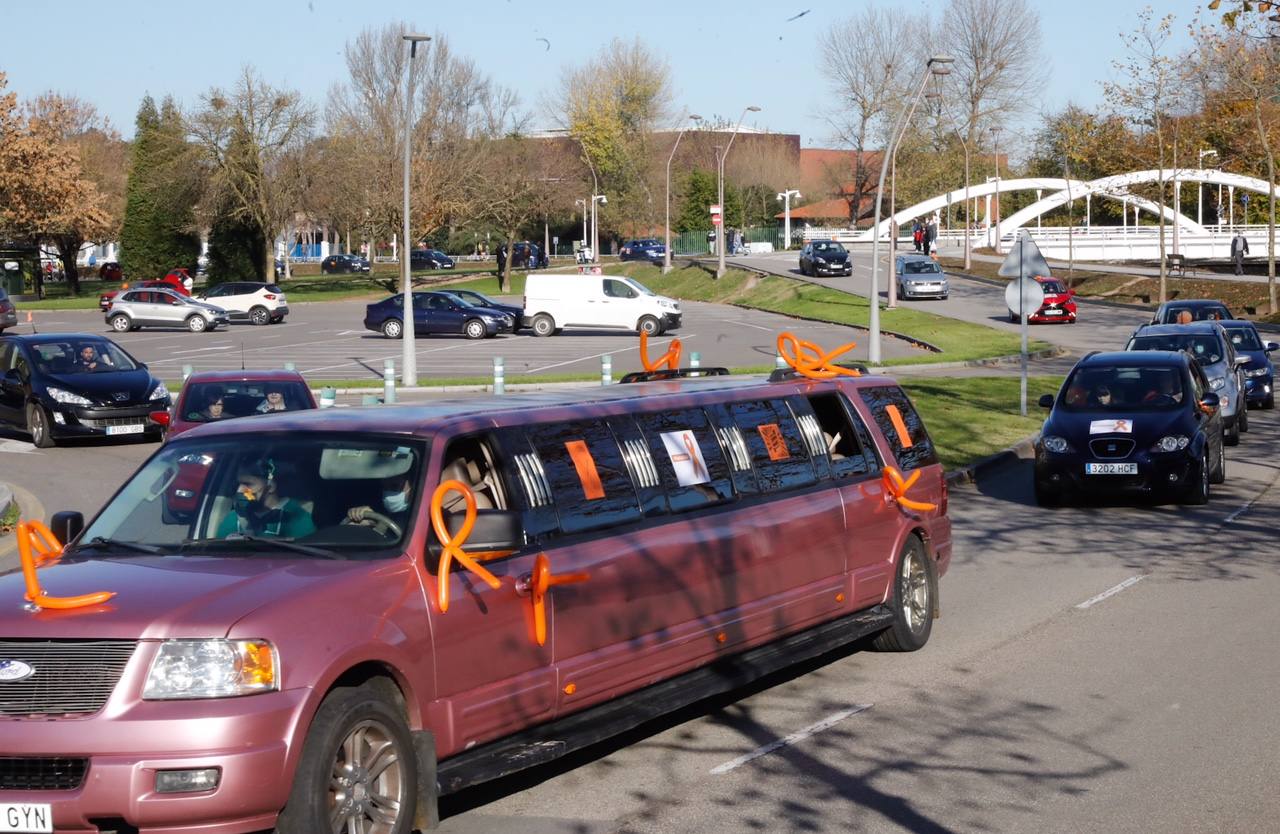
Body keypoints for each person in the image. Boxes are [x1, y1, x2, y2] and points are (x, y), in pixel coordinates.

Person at [217, 457, 315, 539]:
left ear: (271, 486)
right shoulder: (232, 519)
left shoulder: (297, 520)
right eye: (239, 484)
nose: (240, 490)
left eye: (248, 484)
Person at [346, 473, 413, 530]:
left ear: (412, 485)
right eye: (384, 487)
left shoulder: (416, 515)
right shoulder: (377, 508)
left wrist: (378, 524)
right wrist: (360, 519)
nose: (387, 494)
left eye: (394, 486)